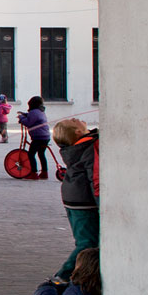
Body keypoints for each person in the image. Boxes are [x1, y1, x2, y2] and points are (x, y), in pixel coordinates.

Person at [53, 120, 99, 281]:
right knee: (87, 243)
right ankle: (62, 277)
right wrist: (102, 206)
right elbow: (95, 179)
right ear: (78, 132)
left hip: (73, 198)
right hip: (83, 201)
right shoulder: (88, 148)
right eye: (73, 122)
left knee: (85, 241)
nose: (75, 118)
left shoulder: (78, 147)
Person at [18, 97, 51, 180]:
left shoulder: (34, 112)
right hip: (45, 136)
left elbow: (28, 122)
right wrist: (25, 114)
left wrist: (21, 118)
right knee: (41, 154)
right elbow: (32, 117)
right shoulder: (40, 111)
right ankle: (44, 172)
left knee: (31, 154)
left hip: (38, 137)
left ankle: (33, 173)